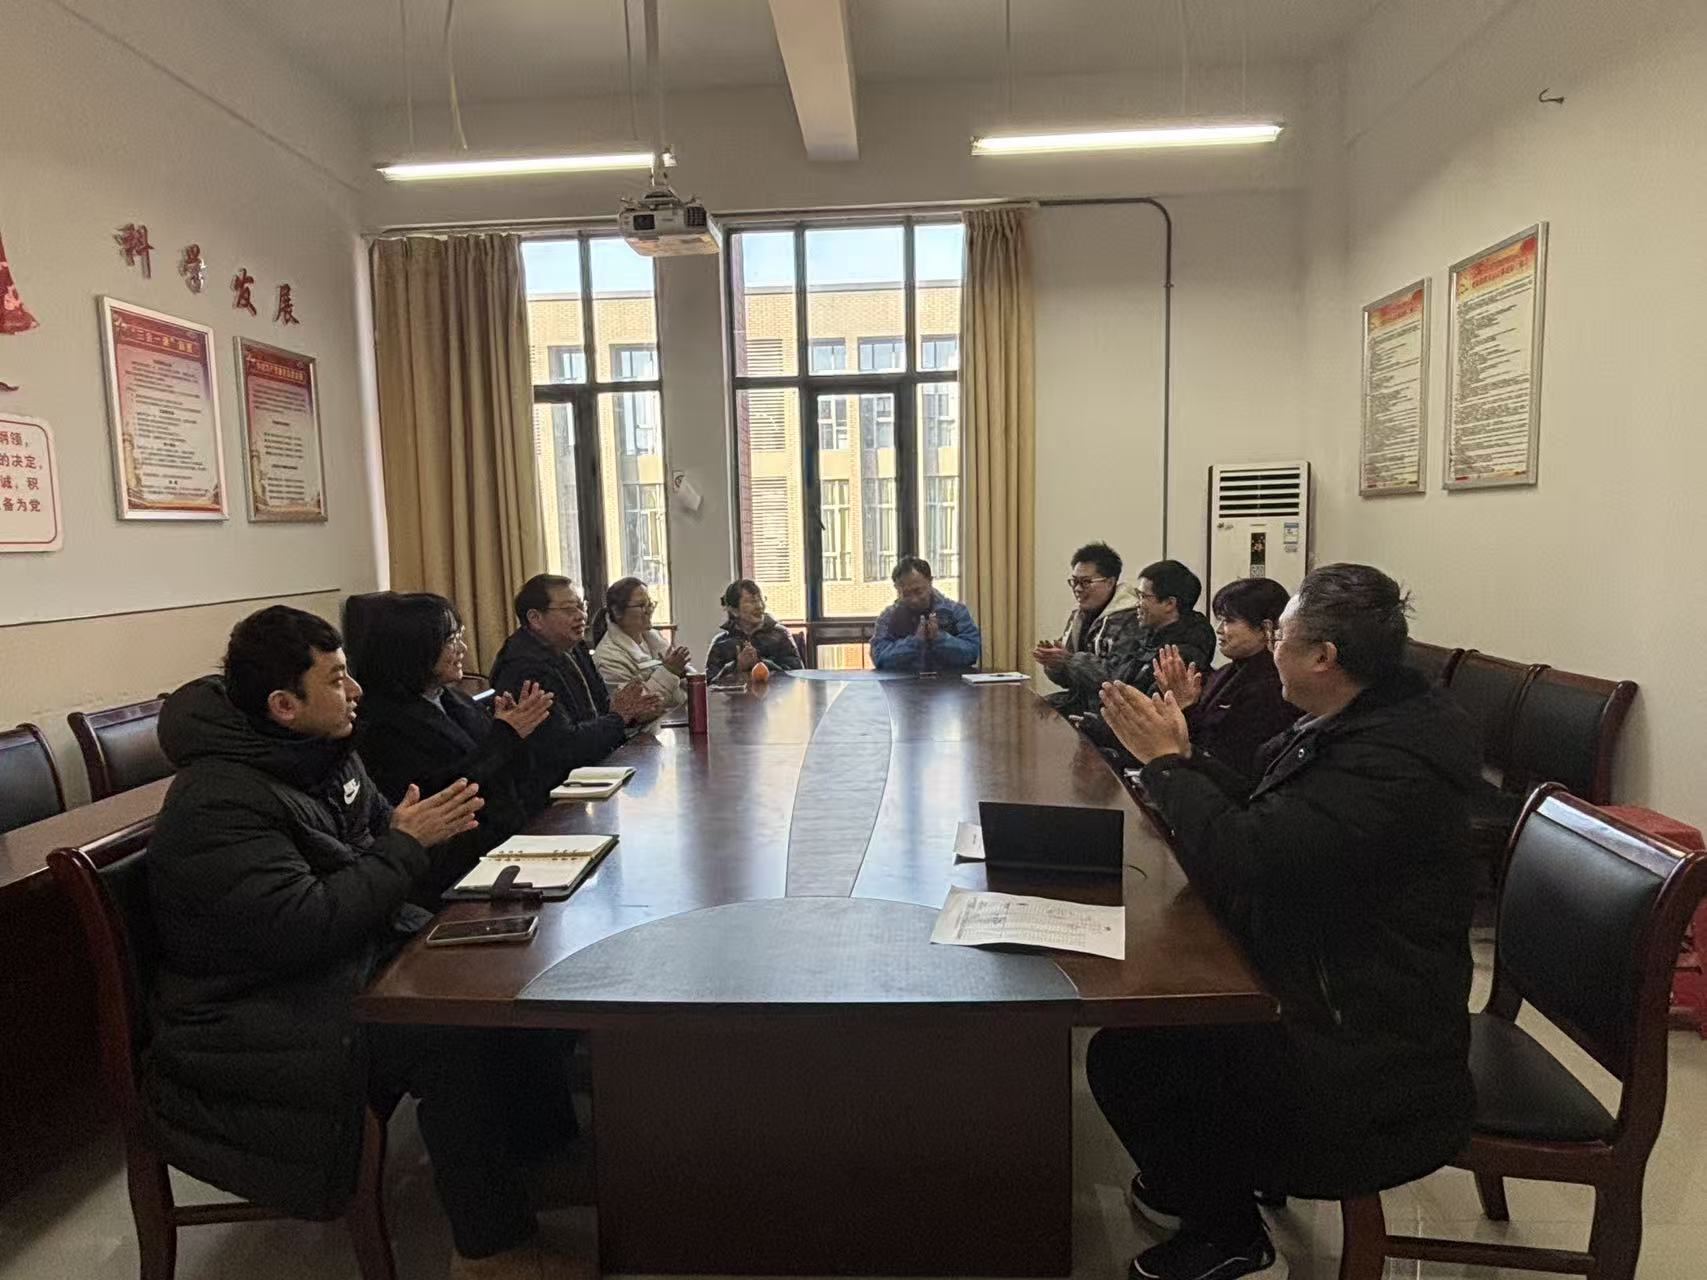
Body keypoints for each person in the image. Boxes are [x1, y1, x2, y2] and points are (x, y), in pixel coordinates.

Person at [145, 606, 564, 1279]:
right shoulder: (222, 800)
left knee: (509, 965)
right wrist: (405, 845)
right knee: (450, 1031)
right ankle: (491, 1251)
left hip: (338, 965)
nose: (357, 691)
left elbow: (376, 852)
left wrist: (411, 841)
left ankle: (540, 1156)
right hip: (258, 1014)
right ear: (284, 705)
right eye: (337, 679)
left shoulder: (322, 754)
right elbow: (307, 925)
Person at [1086, 564, 1478, 1280]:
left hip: (1363, 1038)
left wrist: (1168, 768)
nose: (1270, 649)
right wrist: (1187, 757)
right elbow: (1277, 816)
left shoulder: (1389, 762)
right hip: (1337, 977)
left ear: (1322, 656)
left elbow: (1250, 857)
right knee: (1153, 1024)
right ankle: (1194, 1180)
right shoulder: (1372, 719)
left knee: (1133, 1052)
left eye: (1280, 638)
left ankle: (1230, 1235)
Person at [350, 592, 555, 904]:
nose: (462, 649)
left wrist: (519, 734)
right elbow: (444, 790)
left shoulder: (452, 698)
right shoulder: (381, 722)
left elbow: (507, 771)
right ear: (414, 648)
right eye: (450, 640)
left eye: (460, 636)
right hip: (455, 868)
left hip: (507, 844)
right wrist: (504, 736)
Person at [489, 574, 663, 808]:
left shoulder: (575, 647)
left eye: (582, 607)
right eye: (570, 609)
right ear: (535, 618)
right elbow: (565, 747)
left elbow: (603, 710)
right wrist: (620, 717)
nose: (581, 615)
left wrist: (633, 715)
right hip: (550, 798)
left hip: (590, 776)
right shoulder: (524, 668)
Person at [1147, 576, 1300, 782]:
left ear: (1264, 628)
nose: (1219, 629)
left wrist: (1186, 707)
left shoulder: (1271, 685)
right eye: (1219, 619)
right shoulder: (1227, 671)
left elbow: (1221, 757)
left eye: (1228, 621)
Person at [1033, 541, 1142, 715]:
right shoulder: (1079, 616)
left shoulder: (1132, 619)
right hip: (1082, 701)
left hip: (1113, 710)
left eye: (1085, 582)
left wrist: (1069, 660)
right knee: (1030, 710)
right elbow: (1068, 681)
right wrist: (1054, 664)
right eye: (1074, 581)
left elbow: (1117, 680)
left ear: (1110, 582)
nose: (1077, 589)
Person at [591, 577, 691, 729]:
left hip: (667, 724)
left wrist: (686, 675)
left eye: (650, 604)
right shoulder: (608, 658)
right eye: (642, 606)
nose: (649, 610)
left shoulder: (652, 638)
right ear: (617, 612)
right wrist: (670, 671)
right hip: (636, 737)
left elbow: (680, 684)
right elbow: (637, 710)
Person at [1105, 559, 1217, 693]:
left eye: (1143, 596)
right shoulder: (1145, 639)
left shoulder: (1180, 656)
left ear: (1169, 603)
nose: (1137, 604)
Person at [871, 556, 981, 672]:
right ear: (897, 589)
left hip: (950, 682)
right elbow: (879, 658)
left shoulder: (956, 611)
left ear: (930, 581)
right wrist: (914, 642)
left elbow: (972, 652)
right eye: (906, 594)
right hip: (904, 682)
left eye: (918, 591)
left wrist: (939, 638)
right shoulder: (888, 618)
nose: (914, 599)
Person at [705, 579, 804, 682]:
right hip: (737, 693)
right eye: (751, 602)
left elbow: (797, 676)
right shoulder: (721, 643)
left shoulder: (780, 635)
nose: (759, 606)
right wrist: (736, 667)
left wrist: (761, 663)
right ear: (734, 611)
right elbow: (709, 684)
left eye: (760, 600)